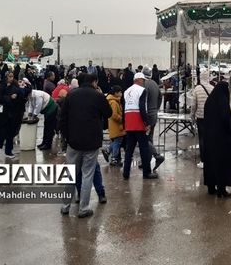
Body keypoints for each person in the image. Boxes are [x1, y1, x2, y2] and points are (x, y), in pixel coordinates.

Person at [59, 73, 112, 218]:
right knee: (87, 174)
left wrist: (67, 137)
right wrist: (102, 96)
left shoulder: (71, 95)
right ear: (94, 82)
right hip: (91, 142)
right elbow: (108, 113)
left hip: (73, 141)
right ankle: (83, 208)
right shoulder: (98, 96)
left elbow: (63, 118)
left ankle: (65, 206)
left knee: (70, 174)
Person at [202, 81, 231, 198]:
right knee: (221, 164)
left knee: (210, 163)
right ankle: (221, 189)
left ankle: (211, 187)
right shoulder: (223, 102)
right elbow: (226, 120)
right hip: (221, 140)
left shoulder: (210, 101)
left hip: (209, 138)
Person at [122, 72, 158, 180]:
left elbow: (124, 108)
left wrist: (124, 125)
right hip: (138, 122)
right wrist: (146, 123)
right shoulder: (142, 90)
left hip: (129, 122)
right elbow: (142, 108)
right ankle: (146, 173)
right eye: (143, 80)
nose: (144, 83)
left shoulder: (126, 91)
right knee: (144, 149)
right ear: (138, 80)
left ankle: (126, 173)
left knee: (129, 150)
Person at [0, 72, 24, 159]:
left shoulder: (15, 85)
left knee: (10, 134)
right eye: (10, 76)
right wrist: (10, 97)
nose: (11, 78)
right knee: (2, 134)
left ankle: (8, 151)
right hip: (3, 115)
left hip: (12, 114)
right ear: (6, 77)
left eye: (12, 76)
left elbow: (21, 94)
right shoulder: (2, 86)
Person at [143, 67, 165, 171]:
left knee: (144, 138)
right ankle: (146, 161)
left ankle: (157, 156)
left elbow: (145, 101)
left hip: (147, 115)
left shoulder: (145, 85)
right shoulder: (155, 84)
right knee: (149, 138)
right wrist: (156, 108)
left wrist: (144, 115)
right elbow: (160, 97)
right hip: (154, 114)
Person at [191, 71, 214, 169]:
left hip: (200, 118)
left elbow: (193, 105)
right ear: (208, 78)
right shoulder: (212, 88)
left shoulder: (197, 89)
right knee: (210, 139)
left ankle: (203, 161)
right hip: (210, 117)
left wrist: (192, 116)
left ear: (200, 78)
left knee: (202, 139)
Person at [106, 85, 125, 166]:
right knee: (117, 142)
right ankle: (114, 158)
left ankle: (108, 151)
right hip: (117, 125)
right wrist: (121, 119)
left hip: (115, 125)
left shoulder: (115, 101)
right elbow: (114, 115)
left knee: (116, 141)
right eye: (120, 92)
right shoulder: (114, 102)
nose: (121, 93)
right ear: (116, 93)